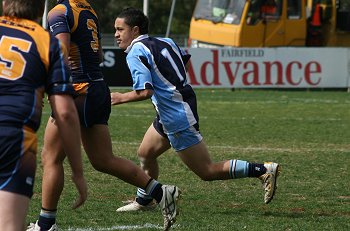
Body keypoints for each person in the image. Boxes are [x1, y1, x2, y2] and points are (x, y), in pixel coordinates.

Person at [111, 7, 281, 213]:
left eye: (120, 29)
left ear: (135, 30)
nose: (116, 35)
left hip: (176, 116)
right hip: (173, 109)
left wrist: (118, 97)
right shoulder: (166, 41)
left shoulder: (136, 52)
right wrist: (174, 89)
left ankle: (262, 170)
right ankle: (145, 200)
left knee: (207, 171)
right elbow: (185, 61)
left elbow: (144, 92)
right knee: (146, 154)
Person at [27, 1, 180, 231]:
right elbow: (97, 56)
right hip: (97, 87)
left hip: (77, 90)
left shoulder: (59, 11)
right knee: (102, 160)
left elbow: (59, 53)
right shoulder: (88, 9)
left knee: (51, 158)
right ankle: (161, 191)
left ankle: (46, 224)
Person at [0, 0, 87, 230]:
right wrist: (78, 172)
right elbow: (65, 113)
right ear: (41, 10)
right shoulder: (48, 43)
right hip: (14, 141)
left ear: (5, 3)